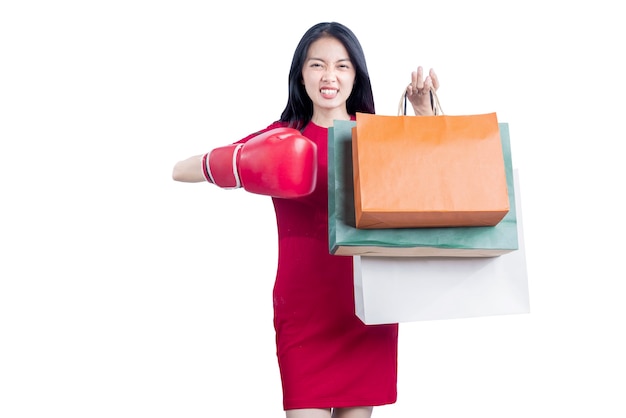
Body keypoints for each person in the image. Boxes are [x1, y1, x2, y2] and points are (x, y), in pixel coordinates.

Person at [172, 21, 439, 418]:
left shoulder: (378, 137)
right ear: (301, 73)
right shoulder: (282, 136)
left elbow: (437, 176)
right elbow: (181, 169)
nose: (329, 76)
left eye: (342, 66)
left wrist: (423, 111)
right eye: (317, 64)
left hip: (367, 307)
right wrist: (239, 162)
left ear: (356, 75)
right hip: (304, 310)